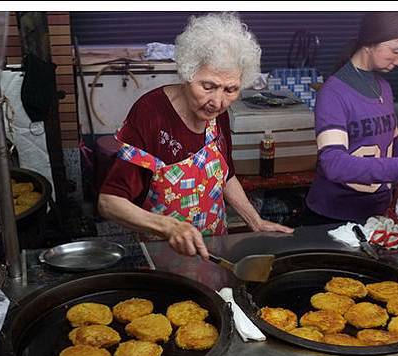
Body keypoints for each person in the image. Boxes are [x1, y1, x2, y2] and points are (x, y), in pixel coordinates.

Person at [98, 12, 293, 260]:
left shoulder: (217, 113)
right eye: (208, 86)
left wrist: (255, 221)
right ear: (187, 73)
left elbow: (226, 174)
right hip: (165, 256)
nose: (218, 102)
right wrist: (170, 227)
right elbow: (109, 202)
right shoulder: (150, 115)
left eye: (231, 89)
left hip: (216, 253)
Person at [288, 12, 398, 227]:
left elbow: (392, 143)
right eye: (396, 51)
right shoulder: (333, 93)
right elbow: (334, 164)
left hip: (374, 214)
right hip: (333, 216)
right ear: (370, 40)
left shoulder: (384, 88)